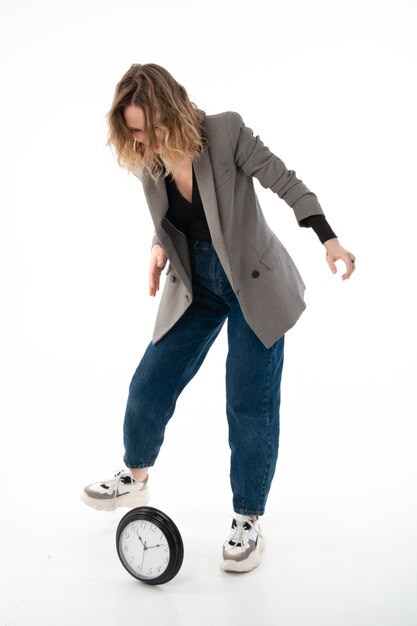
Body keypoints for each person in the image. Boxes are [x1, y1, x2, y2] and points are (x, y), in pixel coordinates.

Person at [81, 63, 356, 573]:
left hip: (252, 286)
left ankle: (248, 519)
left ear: (173, 108)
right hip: (197, 286)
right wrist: (159, 248)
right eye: (136, 131)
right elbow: (175, 219)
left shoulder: (225, 132)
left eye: (152, 126)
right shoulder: (149, 158)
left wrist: (329, 238)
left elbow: (285, 181)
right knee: (150, 381)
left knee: (249, 405)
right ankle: (136, 473)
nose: (146, 139)